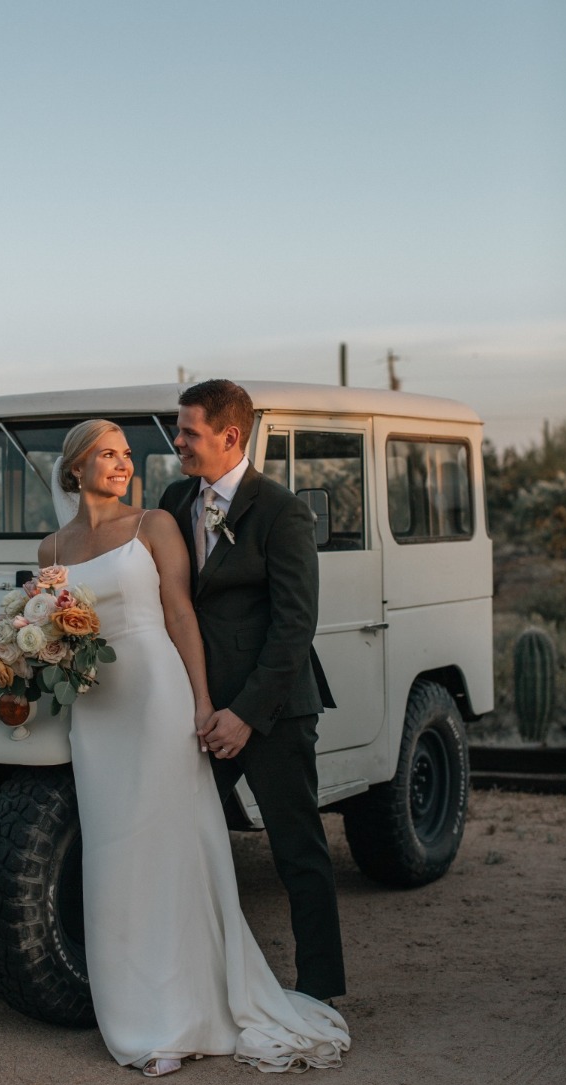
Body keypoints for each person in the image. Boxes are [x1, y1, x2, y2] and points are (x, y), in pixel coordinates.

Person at [38, 418, 349, 1077]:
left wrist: (206, 704)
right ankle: (136, 1006)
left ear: (228, 434)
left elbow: (192, 613)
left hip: (172, 695)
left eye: (130, 453)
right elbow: (55, 625)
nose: (129, 462)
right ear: (75, 468)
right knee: (118, 851)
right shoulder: (67, 541)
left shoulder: (170, 521)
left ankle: (302, 988)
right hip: (99, 709)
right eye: (109, 454)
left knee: (226, 843)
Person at [158, 379, 346, 1005]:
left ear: (229, 435)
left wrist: (245, 715)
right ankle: (191, 982)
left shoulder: (282, 510)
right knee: (186, 846)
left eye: (188, 431)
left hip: (272, 713)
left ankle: (320, 987)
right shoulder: (174, 498)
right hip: (197, 711)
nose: (177, 440)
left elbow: (296, 626)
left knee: (297, 851)